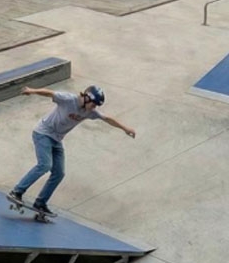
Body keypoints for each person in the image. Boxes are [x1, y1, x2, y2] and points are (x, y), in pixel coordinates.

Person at [7, 85, 135, 216]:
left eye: (96, 106)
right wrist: (32, 91)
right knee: (45, 165)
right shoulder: (68, 99)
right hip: (43, 134)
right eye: (93, 104)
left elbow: (107, 119)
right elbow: (50, 93)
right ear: (86, 98)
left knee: (59, 173)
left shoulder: (90, 112)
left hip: (57, 140)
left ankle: (40, 202)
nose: (94, 108)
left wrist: (125, 128)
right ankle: (17, 191)